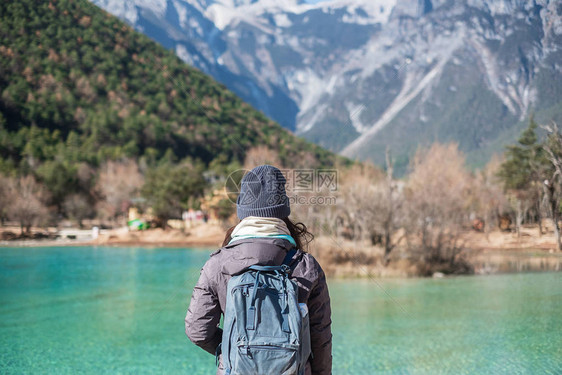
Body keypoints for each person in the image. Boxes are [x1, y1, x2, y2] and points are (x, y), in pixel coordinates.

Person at [185, 165, 332, 375]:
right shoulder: (306, 266)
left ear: (243, 211)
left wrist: (234, 349)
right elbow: (321, 340)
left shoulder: (218, 263)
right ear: (283, 211)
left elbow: (197, 330)